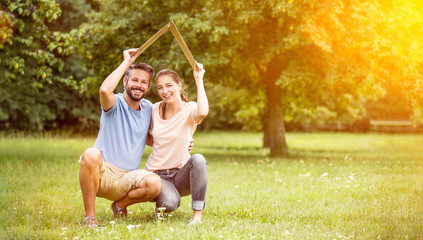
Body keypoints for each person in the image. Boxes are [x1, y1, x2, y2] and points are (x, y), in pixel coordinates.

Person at [78, 48, 162, 228]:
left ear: (148, 87)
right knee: (90, 154)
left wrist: (182, 144)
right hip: (103, 174)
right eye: (135, 80)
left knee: (155, 183)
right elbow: (103, 90)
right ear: (125, 80)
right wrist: (127, 62)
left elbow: (151, 138)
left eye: (144, 82)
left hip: (128, 178)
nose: (139, 85)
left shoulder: (148, 108)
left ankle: (119, 206)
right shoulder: (114, 103)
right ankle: (90, 217)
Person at [145, 63, 209, 225]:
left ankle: (197, 216)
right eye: (160, 87)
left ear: (178, 85)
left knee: (199, 159)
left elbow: (202, 112)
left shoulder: (190, 109)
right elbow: (147, 137)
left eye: (169, 85)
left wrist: (198, 78)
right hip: (157, 175)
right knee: (170, 204)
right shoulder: (154, 109)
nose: (164, 91)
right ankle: (164, 200)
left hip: (181, 174)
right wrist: (170, 145)